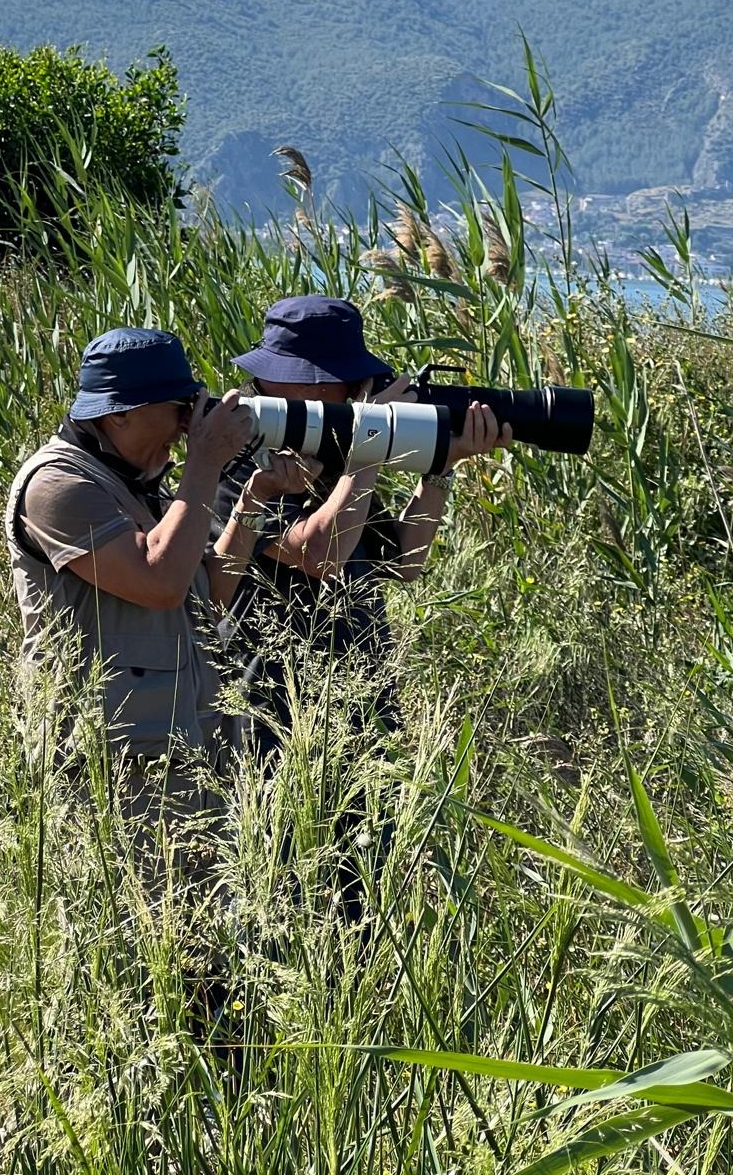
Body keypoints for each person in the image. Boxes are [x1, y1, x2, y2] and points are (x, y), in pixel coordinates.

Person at [214, 295, 511, 913]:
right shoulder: (242, 454)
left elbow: (404, 560)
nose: (354, 396)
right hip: (276, 705)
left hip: (358, 696)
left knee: (361, 888)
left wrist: (440, 467)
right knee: (280, 885)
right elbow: (319, 553)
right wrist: (374, 442)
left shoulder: (336, 452)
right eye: (344, 386)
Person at [5, 327, 310, 843]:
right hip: (110, 759)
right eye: (178, 407)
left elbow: (206, 592)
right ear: (118, 412)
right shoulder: (57, 486)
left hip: (183, 741)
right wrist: (204, 464)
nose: (187, 425)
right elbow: (160, 582)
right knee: (123, 918)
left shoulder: (137, 482)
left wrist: (257, 497)